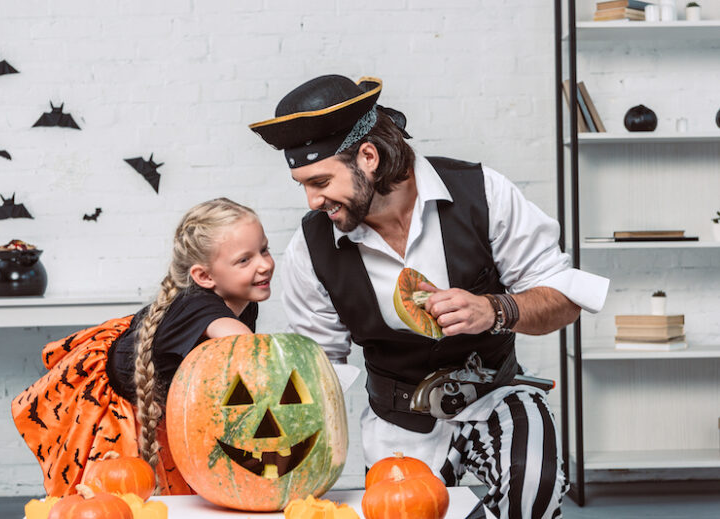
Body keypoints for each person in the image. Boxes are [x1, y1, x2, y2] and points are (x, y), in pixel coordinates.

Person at [249, 75, 609, 518]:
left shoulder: (481, 193)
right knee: (404, 509)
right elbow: (320, 367)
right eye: (302, 184)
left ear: (368, 157)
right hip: (398, 420)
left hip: (497, 394)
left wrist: (496, 310)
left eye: (320, 181)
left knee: (535, 485)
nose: (312, 200)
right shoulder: (312, 247)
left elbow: (564, 297)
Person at [12, 198, 275, 496]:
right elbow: (249, 352)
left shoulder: (243, 300)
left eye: (264, 249)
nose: (264, 264)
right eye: (245, 260)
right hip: (115, 402)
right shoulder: (200, 308)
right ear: (204, 276)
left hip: (162, 395)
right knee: (116, 499)